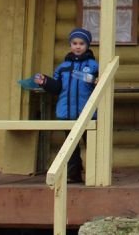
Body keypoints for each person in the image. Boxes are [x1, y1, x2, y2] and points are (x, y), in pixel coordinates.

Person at [32, 27, 98, 183]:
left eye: (81, 43)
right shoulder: (63, 67)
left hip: (87, 113)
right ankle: (73, 174)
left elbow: (99, 84)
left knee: (92, 144)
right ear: (70, 45)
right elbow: (57, 88)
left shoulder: (94, 65)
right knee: (71, 147)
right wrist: (45, 82)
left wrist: (96, 80)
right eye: (74, 43)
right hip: (67, 113)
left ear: (87, 45)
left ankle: (94, 175)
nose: (77, 46)